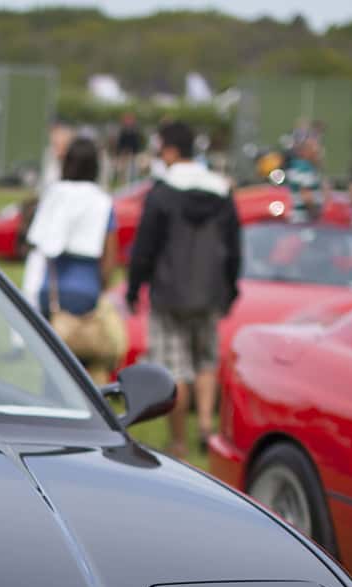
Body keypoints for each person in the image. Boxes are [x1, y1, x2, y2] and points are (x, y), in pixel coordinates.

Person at [126, 121, 239, 456]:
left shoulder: (162, 192)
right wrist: (230, 288)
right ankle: (205, 425)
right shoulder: (221, 190)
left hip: (170, 293)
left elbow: (144, 247)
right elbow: (234, 246)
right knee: (204, 361)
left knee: (175, 370)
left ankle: (178, 440)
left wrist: (134, 288)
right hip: (209, 292)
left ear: (172, 150)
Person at [22, 136, 121, 376]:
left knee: (53, 365)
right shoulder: (102, 201)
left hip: (52, 289)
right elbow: (109, 255)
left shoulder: (53, 195)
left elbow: (37, 243)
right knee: (85, 365)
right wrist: (103, 284)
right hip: (86, 288)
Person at [113, 111, 144, 183]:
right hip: (123, 152)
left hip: (133, 152)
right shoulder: (122, 130)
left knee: (133, 168)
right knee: (123, 169)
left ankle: (133, 180)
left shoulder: (135, 130)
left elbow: (138, 141)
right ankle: (122, 181)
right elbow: (120, 142)